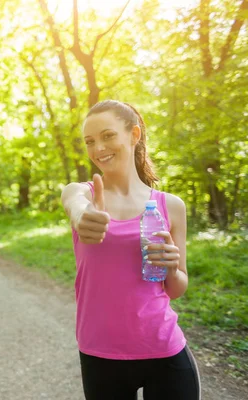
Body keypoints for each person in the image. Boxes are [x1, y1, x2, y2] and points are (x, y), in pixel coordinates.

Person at [60, 100, 200, 400]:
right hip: (100, 353)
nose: (98, 148)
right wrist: (83, 215)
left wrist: (173, 267)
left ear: (134, 135)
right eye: (89, 141)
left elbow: (175, 289)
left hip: (163, 349)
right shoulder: (82, 192)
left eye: (108, 136)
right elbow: (73, 202)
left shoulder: (170, 206)